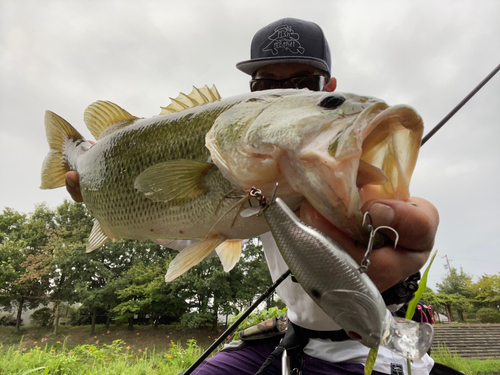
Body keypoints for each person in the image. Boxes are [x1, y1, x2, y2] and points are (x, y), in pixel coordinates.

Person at [65, 18, 440, 375]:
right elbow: (193, 227)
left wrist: (400, 274)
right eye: (266, 86)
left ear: (329, 86)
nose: (289, 92)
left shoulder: (345, 164)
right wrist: (107, 200)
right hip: (297, 341)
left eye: (304, 82)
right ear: (253, 95)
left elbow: (403, 216)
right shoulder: (252, 170)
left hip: (373, 350)